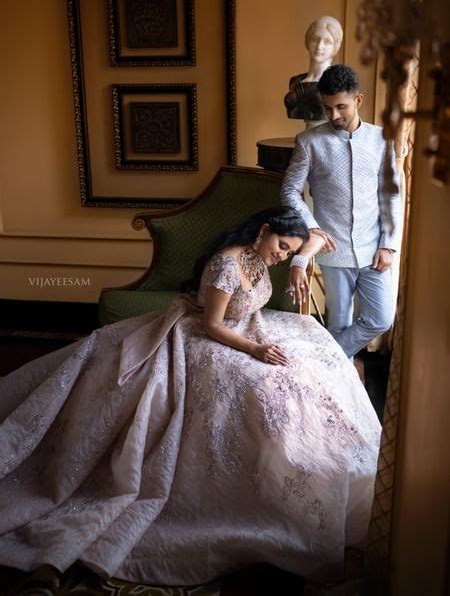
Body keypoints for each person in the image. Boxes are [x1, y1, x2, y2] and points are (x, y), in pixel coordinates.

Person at [0, 207, 381, 588]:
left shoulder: (259, 256)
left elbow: (278, 274)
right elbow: (212, 325)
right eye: (280, 246)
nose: (280, 257)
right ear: (264, 230)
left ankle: (325, 459)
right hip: (208, 338)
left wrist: (299, 259)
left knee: (316, 351)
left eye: (287, 253)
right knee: (264, 385)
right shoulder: (225, 265)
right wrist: (254, 349)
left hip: (245, 329)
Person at [281, 65, 402, 359]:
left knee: (381, 318)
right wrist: (312, 227)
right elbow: (289, 190)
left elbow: (390, 196)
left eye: (341, 107)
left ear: (358, 100)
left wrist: (388, 246)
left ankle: (325, 363)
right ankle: (340, 394)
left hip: (374, 248)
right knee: (339, 323)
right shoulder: (309, 142)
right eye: (328, 108)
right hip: (334, 250)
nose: (334, 116)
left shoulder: (381, 139)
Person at [284, 16, 343, 129]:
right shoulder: (296, 81)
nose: (320, 46)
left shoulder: (336, 82)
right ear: (308, 42)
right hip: (305, 138)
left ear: (335, 47)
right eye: (315, 39)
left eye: (327, 42)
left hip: (324, 138)